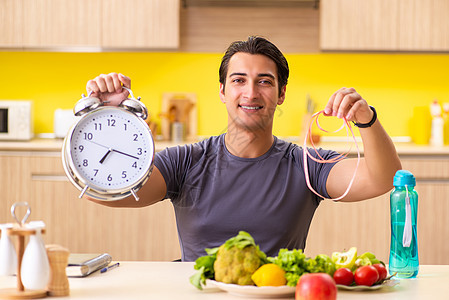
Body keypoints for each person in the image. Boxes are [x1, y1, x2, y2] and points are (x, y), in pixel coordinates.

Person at [85, 36, 401, 261]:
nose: (250, 92)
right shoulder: (187, 160)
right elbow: (101, 191)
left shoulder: (306, 163)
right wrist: (107, 118)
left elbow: (383, 179)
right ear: (223, 91)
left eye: (264, 81)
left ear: (281, 94)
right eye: (239, 80)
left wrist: (366, 120)